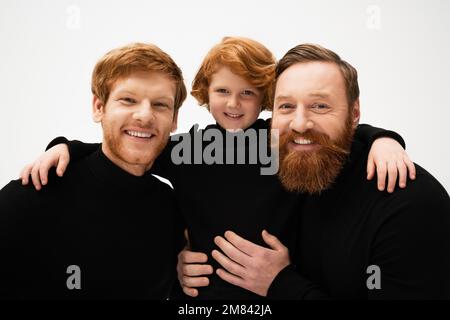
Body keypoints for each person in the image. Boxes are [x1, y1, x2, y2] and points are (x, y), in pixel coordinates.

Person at [19, 37, 416, 299]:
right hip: (203, 296)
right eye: (223, 91)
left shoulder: (277, 140)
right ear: (204, 93)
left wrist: (384, 138)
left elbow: (332, 133)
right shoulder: (191, 149)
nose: (234, 103)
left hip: (273, 289)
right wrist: (64, 146)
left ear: (264, 98)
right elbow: (128, 145)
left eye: (248, 93)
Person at [178, 43, 450, 299]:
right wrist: (181, 256)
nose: (299, 124)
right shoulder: (286, 162)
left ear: (355, 113)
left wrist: (281, 284)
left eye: (320, 106)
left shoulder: (409, 204)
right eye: (286, 106)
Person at [0, 43, 186, 299]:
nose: (144, 116)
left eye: (160, 105)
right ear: (99, 107)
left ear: (174, 119)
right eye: (128, 100)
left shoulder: (171, 208)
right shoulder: (34, 194)